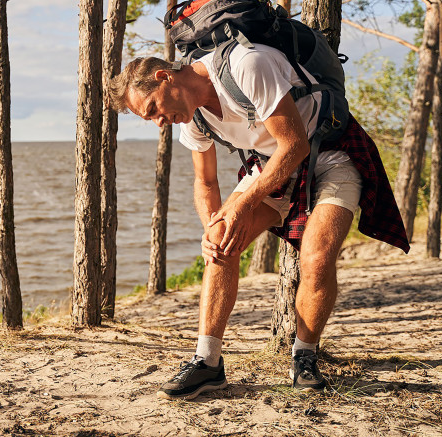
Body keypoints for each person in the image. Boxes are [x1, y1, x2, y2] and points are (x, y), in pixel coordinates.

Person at [108, 46, 409, 399]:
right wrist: (211, 228)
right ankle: (207, 364)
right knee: (220, 243)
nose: (159, 122)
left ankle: (304, 357)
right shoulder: (195, 119)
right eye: (150, 119)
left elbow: (295, 145)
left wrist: (241, 205)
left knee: (317, 257)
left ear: (164, 77)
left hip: (329, 153)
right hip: (270, 166)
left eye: (154, 109)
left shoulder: (247, 65)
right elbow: (205, 182)